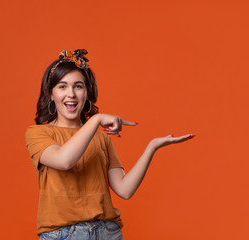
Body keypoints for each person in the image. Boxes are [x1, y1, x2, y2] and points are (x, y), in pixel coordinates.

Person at [25, 49, 195, 240]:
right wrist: (96, 120)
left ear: (87, 93)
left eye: (78, 86)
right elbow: (64, 160)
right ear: (51, 94)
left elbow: (124, 190)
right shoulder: (38, 133)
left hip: (107, 232)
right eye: (62, 87)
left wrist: (152, 147)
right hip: (63, 235)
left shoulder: (101, 138)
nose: (71, 94)